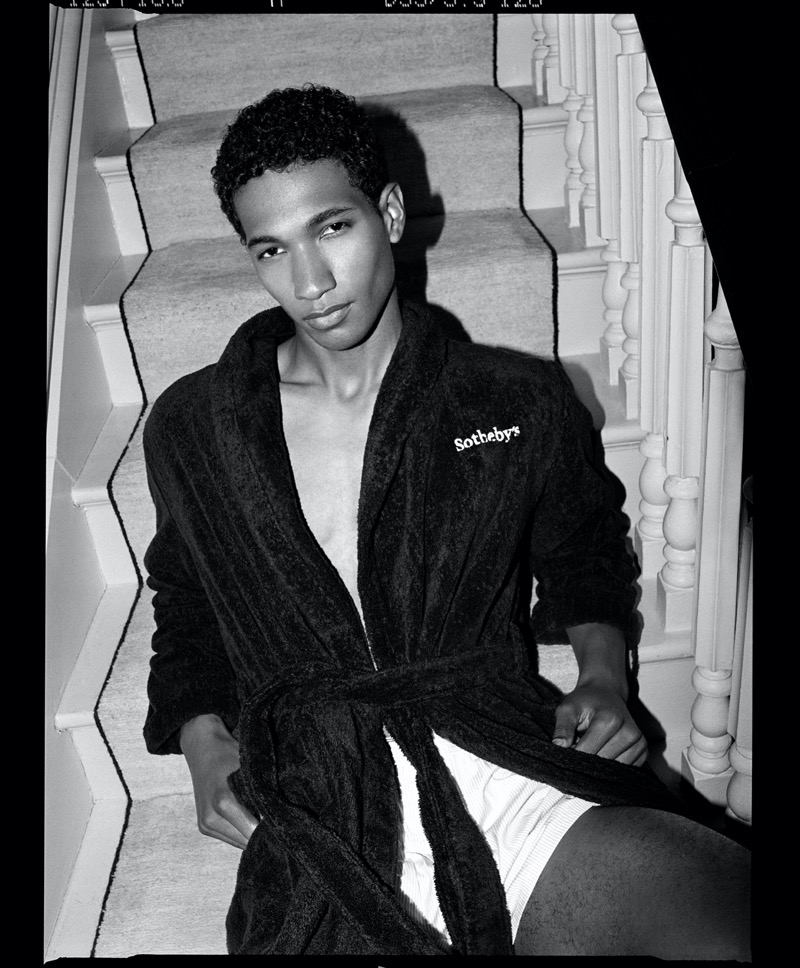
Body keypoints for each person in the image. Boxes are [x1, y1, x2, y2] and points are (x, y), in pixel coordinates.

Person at [142, 85, 750, 958]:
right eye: (271, 249)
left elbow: (584, 551)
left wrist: (603, 678)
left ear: (389, 213)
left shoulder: (509, 400)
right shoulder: (195, 426)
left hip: (506, 754)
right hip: (327, 808)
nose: (310, 284)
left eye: (332, 228)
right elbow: (186, 600)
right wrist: (203, 741)